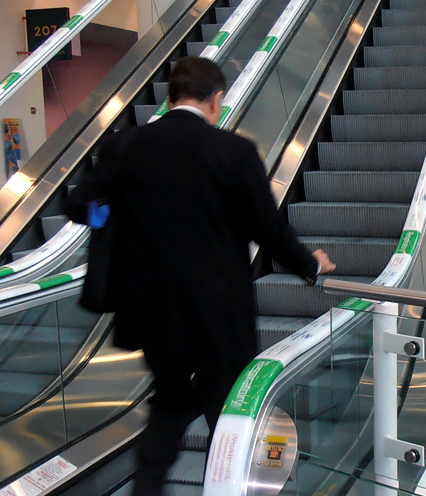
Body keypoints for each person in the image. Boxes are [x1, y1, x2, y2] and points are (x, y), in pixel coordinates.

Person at [66, 56, 335, 496]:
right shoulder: (233, 152)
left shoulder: (124, 146)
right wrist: (310, 264)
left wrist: (117, 214)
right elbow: (267, 229)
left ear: (171, 97)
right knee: (228, 413)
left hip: (152, 313)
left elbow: (80, 206)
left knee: (169, 404)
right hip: (218, 314)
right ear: (216, 99)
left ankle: (147, 491)